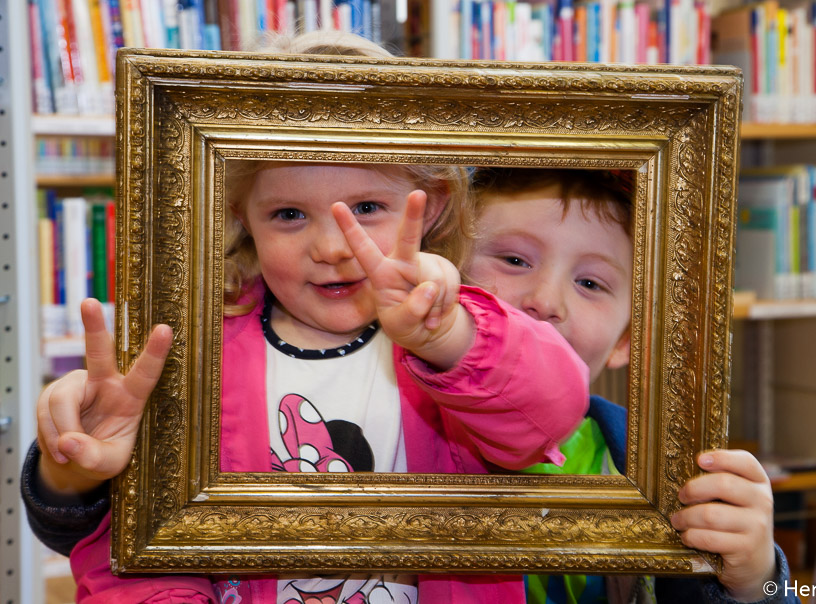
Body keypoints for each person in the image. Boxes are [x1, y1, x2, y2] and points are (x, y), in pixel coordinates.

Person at [25, 32, 592, 604]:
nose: (331, 247)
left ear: (435, 202)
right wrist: (74, 466)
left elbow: (552, 409)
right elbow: (141, 554)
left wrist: (449, 338)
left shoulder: (456, 339)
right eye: (289, 214)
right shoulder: (195, 354)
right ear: (240, 216)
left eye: (367, 208)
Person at [465, 167, 796, 604]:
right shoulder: (390, 434)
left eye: (590, 283)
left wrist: (755, 581)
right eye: (514, 260)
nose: (544, 301)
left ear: (625, 340)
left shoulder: (661, 469)